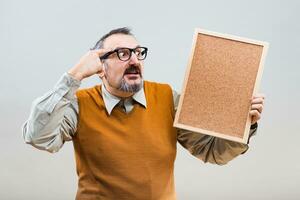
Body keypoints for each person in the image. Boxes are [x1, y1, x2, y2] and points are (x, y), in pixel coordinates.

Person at [22, 27, 265, 200]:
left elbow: (213, 153)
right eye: (122, 54)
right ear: (99, 67)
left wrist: (243, 125)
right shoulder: (80, 104)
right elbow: (38, 137)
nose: (134, 60)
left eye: (138, 53)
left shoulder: (168, 98)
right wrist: (73, 76)